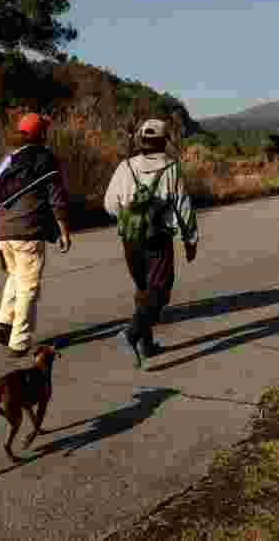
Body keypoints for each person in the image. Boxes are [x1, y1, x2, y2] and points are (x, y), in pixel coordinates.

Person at [104, 118, 199, 369]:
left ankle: (146, 345)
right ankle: (131, 334)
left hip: (130, 239)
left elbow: (109, 205)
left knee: (143, 290)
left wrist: (130, 216)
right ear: (163, 142)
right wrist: (190, 239)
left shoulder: (125, 166)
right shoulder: (171, 168)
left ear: (141, 141)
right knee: (160, 290)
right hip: (158, 239)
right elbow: (183, 206)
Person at [0, 113, 71, 358]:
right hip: (28, 230)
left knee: (16, 275)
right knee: (29, 286)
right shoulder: (45, 159)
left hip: (3, 230)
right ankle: (20, 340)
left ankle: (4, 319)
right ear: (42, 134)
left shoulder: (9, 160)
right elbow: (56, 198)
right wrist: (64, 229)